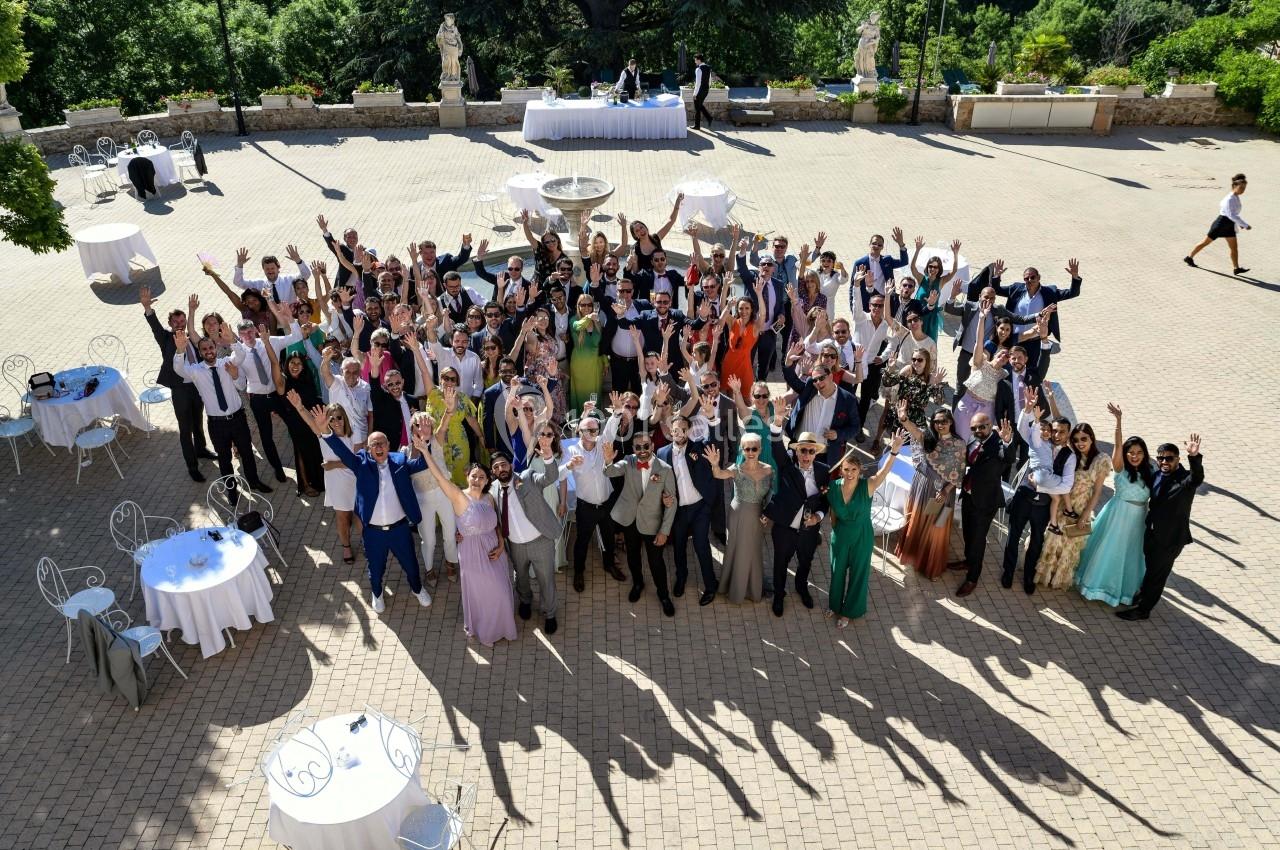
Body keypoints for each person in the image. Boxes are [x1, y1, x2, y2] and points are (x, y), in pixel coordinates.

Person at [320, 424, 434, 613]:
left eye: (382, 443)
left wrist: (426, 443)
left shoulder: (400, 461)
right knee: (375, 569)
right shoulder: (361, 464)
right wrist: (327, 432)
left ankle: (417, 589)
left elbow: (422, 464)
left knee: (412, 565)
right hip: (373, 532)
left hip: (400, 529)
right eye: (374, 445)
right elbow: (343, 452)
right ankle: (377, 593)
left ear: (389, 445)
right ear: (368, 449)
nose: (379, 447)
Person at [421, 454, 518, 647]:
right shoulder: (459, 496)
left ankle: (504, 627)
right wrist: (425, 451)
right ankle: (487, 632)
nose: (477, 480)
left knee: (502, 593)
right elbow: (440, 477)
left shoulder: (489, 498)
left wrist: (501, 546)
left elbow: (497, 525)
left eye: (482, 477)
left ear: (488, 480)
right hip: (472, 554)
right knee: (483, 595)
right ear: (467, 477)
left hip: (494, 552)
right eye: (474, 476)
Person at [172, 330, 272, 493]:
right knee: (224, 459)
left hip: (237, 418)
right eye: (204, 349)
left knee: (247, 453)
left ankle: (253, 482)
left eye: (211, 347)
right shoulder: (195, 371)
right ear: (200, 352)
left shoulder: (226, 363)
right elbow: (179, 369)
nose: (208, 351)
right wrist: (180, 350)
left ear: (215, 348)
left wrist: (232, 340)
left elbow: (240, 355)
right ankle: (232, 491)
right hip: (217, 424)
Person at [1118, 433, 1204, 620]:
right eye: (1161, 458)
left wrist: (1194, 457)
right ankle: (1143, 595)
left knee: (1158, 575)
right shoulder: (1156, 475)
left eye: (1169, 458)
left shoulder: (1185, 479)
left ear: (1177, 459)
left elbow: (1197, 477)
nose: (1165, 461)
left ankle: (1143, 610)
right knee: (1150, 569)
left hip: (1170, 539)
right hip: (1151, 534)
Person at [1076, 405, 1152, 607]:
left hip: (1138, 520)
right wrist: (1119, 422)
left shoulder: (1151, 472)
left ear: (1145, 454)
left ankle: (1124, 593)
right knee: (1107, 550)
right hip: (1117, 515)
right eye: (1130, 452)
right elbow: (1118, 445)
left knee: (1131, 555)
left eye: (1138, 452)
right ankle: (1096, 587)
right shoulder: (1120, 467)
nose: (1133, 456)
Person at [1001, 388, 1075, 594]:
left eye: (1061, 432)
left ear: (1067, 434)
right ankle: (1007, 572)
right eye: (1054, 431)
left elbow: (1066, 485)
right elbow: (1023, 428)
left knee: (1036, 541)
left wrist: (1041, 485)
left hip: (1043, 505)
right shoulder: (1038, 443)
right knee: (1013, 536)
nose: (1056, 435)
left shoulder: (1069, 457)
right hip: (1024, 497)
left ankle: (1028, 577)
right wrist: (1027, 408)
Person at [828, 431, 906, 625]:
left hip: (862, 536)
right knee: (837, 572)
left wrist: (894, 451)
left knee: (858, 575)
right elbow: (833, 514)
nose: (849, 474)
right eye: (846, 469)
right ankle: (834, 605)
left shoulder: (868, 486)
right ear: (841, 470)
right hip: (841, 535)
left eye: (853, 470)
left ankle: (849, 612)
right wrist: (835, 533)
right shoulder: (833, 488)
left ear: (860, 471)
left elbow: (884, 472)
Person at [140, 286, 216, 482]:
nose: (180, 324)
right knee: (185, 429)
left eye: (182, 321)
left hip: (196, 387)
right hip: (180, 390)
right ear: (170, 324)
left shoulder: (193, 339)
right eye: (176, 322)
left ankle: (201, 450)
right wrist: (148, 307)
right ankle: (192, 467)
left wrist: (192, 311)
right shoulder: (165, 338)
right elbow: (154, 325)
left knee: (198, 421)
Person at [604, 432, 678, 616]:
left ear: (652, 446)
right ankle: (638, 583)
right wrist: (607, 461)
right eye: (638, 447)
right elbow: (610, 472)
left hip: (653, 523)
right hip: (630, 520)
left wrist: (665, 531)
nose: (643, 450)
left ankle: (663, 595)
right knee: (633, 556)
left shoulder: (665, 469)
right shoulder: (628, 461)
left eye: (646, 446)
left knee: (656, 562)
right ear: (633, 449)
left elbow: (672, 502)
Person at [764, 413, 829, 617]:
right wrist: (777, 422)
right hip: (785, 528)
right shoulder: (787, 468)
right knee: (780, 564)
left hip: (809, 530)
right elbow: (775, 447)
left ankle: (801, 587)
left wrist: (818, 517)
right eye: (803, 450)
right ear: (797, 452)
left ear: (816, 453)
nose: (806, 455)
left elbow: (826, 501)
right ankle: (779, 595)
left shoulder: (823, 471)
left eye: (811, 451)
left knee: (806, 561)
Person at [490, 449, 561, 635]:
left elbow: (551, 476)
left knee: (546, 580)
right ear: (493, 472)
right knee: (520, 577)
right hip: (515, 545)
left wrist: (547, 456)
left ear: (511, 465)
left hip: (540, 541)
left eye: (504, 464)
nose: (501, 469)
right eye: (496, 467)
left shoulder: (527, 478)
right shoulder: (492, 490)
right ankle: (525, 601)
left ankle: (550, 613)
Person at [1037, 420, 1112, 589]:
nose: (1080, 443)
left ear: (1092, 438)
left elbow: (1097, 493)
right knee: (1053, 539)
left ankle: (1058, 577)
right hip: (1062, 502)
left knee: (1069, 544)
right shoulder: (1071, 454)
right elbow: (1059, 424)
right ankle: (1044, 575)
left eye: (1084, 439)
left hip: (1080, 507)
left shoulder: (1101, 460)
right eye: (1076, 439)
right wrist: (1050, 398)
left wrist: (1085, 516)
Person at [896, 404, 967, 581]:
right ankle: (915, 558)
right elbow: (915, 431)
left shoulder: (959, 444)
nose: (939, 425)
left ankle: (930, 565)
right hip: (924, 487)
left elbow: (960, 471)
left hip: (943, 494)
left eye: (943, 421)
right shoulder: (929, 438)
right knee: (919, 522)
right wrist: (904, 418)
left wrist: (946, 490)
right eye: (935, 422)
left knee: (938, 527)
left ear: (950, 422)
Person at [561, 412, 627, 592]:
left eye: (595, 429)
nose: (593, 432)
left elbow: (612, 430)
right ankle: (579, 572)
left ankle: (609, 565)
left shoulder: (602, 444)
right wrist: (568, 466)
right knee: (582, 541)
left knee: (608, 537)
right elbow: (560, 476)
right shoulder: (571, 451)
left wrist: (617, 413)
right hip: (586, 507)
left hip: (606, 503)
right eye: (588, 429)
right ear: (579, 431)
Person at [658, 416, 719, 605]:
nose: (680, 433)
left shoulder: (699, 448)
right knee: (679, 547)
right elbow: (657, 480)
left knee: (701, 546)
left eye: (684, 429)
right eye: (676, 429)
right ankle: (681, 578)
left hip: (700, 507)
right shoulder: (662, 453)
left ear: (689, 430)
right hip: (678, 510)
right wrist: (662, 497)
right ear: (671, 430)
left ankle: (710, 585)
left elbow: (715, 443)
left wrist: (711, 418)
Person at [953, 413, 1014, 597]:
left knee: (978, 540)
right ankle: (968, 560)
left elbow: (1008, 457)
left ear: (990, 425)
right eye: (974, 428)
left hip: (986, 501)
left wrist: (1008, 441)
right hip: (969, 495)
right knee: (967, 533)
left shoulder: (998, 444)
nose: (978, 431)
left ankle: (972, 577)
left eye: (982, 426)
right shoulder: (973, 438)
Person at [706, 436, 772, 604]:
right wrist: (714, 464)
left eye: (754, 449)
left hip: (758, 516)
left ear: (760, 450)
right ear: (742, 450)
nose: (750, 452)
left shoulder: (769, 470)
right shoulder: (737, 469)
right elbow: (719, 474)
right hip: (739, 515)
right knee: (739, 549)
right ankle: (734, 589)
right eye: (747, 449)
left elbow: (771, 496)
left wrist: (768, 514)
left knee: (754, 550)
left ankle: (753, 588)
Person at [293, 399, 359, 564]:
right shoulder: (324, 436)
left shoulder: (354, 434)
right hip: (337, 485)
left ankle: (368, 543)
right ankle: (346, 546)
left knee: (360, 518)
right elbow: (309, 420)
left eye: (339, 417)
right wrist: (300, 406)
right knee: (343, 517)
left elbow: (357, 462)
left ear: (344, 418)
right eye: (332, 419)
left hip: (356, 482)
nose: (336, 422)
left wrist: (333, 464)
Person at [781, 345, 860, 468]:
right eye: (815, 379)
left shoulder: (847, 400)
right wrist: (788, 362)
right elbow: (792, 380)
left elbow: (855, 427)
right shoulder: (810, 387)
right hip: (800, 450)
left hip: (824, 456)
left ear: (831, 376)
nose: (818, 382)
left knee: (818, 486)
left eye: (822, 378)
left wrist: (838, 434)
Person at [406, 411, 457, 584]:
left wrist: (449, 410)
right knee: (428, 538)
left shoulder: (437, 440)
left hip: (444, 494)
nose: (423, 427)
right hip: (422, 499)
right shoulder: (406, 451)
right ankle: (429, 568)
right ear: (413, 429)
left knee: (450, 533)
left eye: (427, 423)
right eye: (419, 425)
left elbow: (444, 423)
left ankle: (450, 562)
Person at [993, 259, 1081, 349]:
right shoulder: (1015, 289)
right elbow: (996, 290)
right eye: (1026, 278)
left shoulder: (1050, 292)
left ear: (1039, 277)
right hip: (1015, 338)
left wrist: (1075, 277)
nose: (1029, 280)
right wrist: (997, 276)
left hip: (1035, 340)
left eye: (1033, 277)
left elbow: (1072, 293)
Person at [1186, 173, 1250, 275]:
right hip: (1220, 224)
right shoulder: (1229, 199)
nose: (1243, 190)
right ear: (1234, 186)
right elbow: (1231, 215)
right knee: (1205, 243)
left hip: (1229, 225)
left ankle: (1236, 268)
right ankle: (1189, 257)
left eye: (1244, 188)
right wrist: (1245, 225)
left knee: (1234, 248)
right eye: (1241, 187)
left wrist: (1239, 224)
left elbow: (1232, 215)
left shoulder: (1236, 196)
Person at [908, 237, 962, 341]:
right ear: (927, 267)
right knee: (915, 341)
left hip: (931, 317)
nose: (932, 269)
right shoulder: (921, 279)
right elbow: (912, 268)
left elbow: (954, 270)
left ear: (939, 269)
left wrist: (955, 254)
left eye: (935, 267)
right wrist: (917, 250)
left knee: (930, 342)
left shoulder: (941, 281)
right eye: (930, 266)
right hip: (919, 315)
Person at [718, 291, 767, 398]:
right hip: (728, 364)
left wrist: (759, 294)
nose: (744, 311)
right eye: (741, 308)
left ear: (752, 309)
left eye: (747, 308)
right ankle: (730, 415)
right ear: (737, 309)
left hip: (745, 367)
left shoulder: (755, 326)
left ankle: (749, 415)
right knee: (729, 398)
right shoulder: (733, 322)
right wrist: (725, 285)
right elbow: (722, 309)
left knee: (747, 399)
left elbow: (763, 314)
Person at [849, 228, 909, 309]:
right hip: (866, 302)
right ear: (869, 244)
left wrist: (901, 245)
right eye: (874, 243)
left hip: (885, 301)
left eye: (879, 245)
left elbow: (904, 262)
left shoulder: (887, 260)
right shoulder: (860, 263)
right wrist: (852, 306)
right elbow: (852, 286)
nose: (876, 246)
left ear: (882, 247)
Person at [233, 244, 310, 305]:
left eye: (272, 268)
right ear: (263, 270)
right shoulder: (259, 284)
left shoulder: (289, 280)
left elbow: (306, 274)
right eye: (267, 269)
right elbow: (238, 282)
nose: (270, 271)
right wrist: (240, 266)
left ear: (278, 268)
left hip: (291, 319)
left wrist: (298, 261)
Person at [691, 54, 714, 131]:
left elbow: (698, 83)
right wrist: (708, 88)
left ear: (699, 60)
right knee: (699, 105)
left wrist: (694, 94)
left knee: (697, 108)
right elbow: (710, 80)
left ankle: (697, 126)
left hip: (700, 91)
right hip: (706, 90)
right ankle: (709, 118)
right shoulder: (708, 68)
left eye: (695, 60)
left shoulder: (698, 69)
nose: (695, 61)